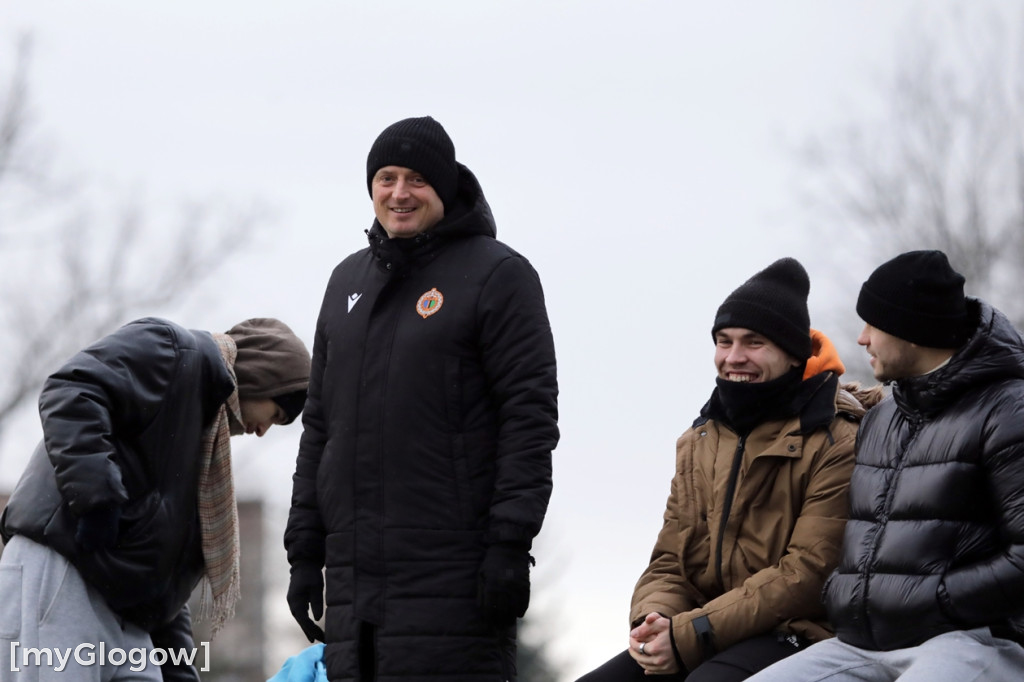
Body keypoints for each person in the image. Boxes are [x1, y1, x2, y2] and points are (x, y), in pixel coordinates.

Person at [284, 116, 559, 681]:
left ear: (444, 188)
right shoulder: (346, 282)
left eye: (417, 179)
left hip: (455, 576)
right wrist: (304, 551)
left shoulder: (499, 275)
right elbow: (320, 427)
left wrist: (511, 543)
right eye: (386, 178)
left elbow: (528, 417)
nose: (400, 193)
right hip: (354, 587)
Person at [576, 258, 879, 682]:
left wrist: (688, 635)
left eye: (754, 343)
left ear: (793, 355)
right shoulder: (699, 440)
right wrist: (655, 620)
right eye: (724, 342)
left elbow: (806, 575)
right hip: (704, 628)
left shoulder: (835, 440)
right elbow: (670, 561)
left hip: (799, 631)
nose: (734, 357)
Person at [745, 250, 1024, 681]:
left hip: (970, 638)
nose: (862, 339)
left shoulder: (1009, 410)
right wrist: (846, 593)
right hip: (861, 641)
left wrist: (934, 598)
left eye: (873, 324)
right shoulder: (880, 418)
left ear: (912, 330)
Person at [0, 316, 311, 682]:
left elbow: (162, 579)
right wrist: (98, 501)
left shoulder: (206, 449)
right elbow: (71, 389)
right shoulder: (172, 350)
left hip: (124, 607)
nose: (262, 431)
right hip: (66, 568)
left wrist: (179, 669)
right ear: (264, 377)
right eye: (275, 415)